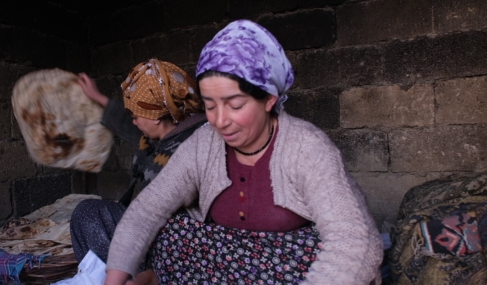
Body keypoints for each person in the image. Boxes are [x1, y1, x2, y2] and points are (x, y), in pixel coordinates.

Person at [104, 19, 384, 285]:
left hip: (293, 274)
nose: (220, 120)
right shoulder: (204, 144)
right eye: (210, 106)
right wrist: (114, 280)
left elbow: (355, 240)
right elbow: (147, 210)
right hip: (228, 266)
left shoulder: (307, 148)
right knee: (172, 230)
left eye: (235, 105)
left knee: (317, 248)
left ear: (269, 99)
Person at [69, 59, 207, 283]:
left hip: (175, 246)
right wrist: (97, 97)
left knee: (89, 214)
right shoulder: (165, 131)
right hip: (154, 234)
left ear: (156, 115)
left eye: (136, 116)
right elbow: (128, 124)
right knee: (88, 211)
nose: (133, 122)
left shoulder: (194, 147)